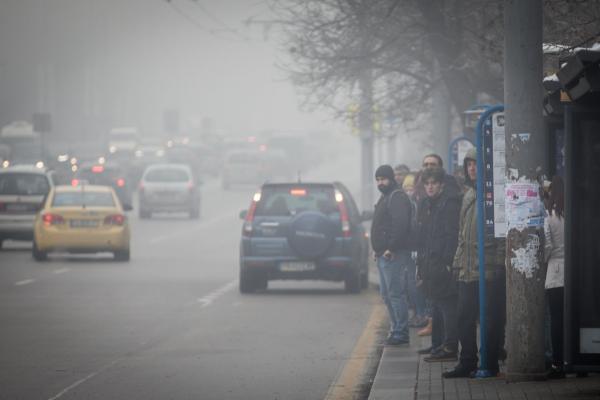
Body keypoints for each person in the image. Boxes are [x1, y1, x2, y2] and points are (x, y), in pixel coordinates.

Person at [443, 148, 506, 378]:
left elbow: (503, 234)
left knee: (490, 319)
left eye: (476, 164)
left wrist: (499, 264)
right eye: (469, 164)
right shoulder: (468, 195)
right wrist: (457, 263)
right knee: (464, 316)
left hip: (488, 269)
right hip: (468, 270)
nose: (472, 168)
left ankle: (489, 363)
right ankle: (467, 361)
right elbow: (462, 235)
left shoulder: (495, 194)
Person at [416, 167, 462, 362]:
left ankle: (450, 347)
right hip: (431, 263)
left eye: (433, 183)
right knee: (436, 305)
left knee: (447, 306)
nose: (430, 187)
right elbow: (425, 236)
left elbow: (451, 235)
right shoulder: (429, 204)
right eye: (427, 184)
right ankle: (438, 346)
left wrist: (446, 263)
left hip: (442, 264)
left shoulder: (448, 204)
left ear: (441, 185)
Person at [371, 165, 413, 345]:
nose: (380, 183)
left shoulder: (396, 197)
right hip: (383, 254)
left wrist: (391, 248)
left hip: (392, 255)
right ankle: (395, 329)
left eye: (383, 179)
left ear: (391, 179)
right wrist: (377, 250)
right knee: (387, 294)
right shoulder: (386, 197)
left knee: (396, 294)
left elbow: (400, 224)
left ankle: (401, 332)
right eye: (378, 179)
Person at [544, 176, 565, 378]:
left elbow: (548, 246)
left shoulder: (549, 215)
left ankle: (558, 362)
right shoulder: (572, 213)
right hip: (575, 274)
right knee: (570, 318)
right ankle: (574, 360)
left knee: (556, 320)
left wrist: (543, 261)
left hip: (555, 273)